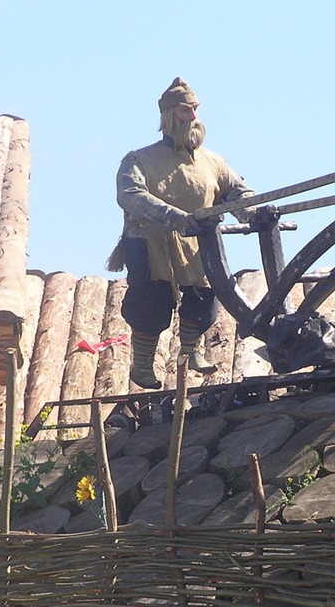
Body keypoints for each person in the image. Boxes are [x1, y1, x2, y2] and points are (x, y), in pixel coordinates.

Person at [108, 77, 256, 390]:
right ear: (169, 115)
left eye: (195, 110)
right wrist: (175, 217)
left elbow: (237, 191)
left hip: (198, 241)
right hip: (151, 242)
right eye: (185, 111)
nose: (193, 117)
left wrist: (252, 213)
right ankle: (143, 363)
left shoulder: (213, 162)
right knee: (151, 301)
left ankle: (191, 349)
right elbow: (130, 195)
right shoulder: (139, 160)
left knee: (203, 295)